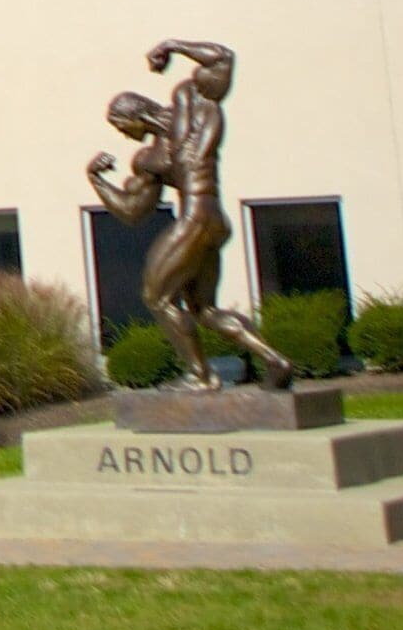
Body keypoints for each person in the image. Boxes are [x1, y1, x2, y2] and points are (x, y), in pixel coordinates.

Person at [87, 38, 298, 391]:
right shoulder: (151, 157)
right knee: (204, 311)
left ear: (134, 116)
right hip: (215, 222)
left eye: (121, 126)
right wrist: (97, 180)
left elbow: (222, 58)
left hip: (195, 219)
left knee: (157, 298)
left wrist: (171, 46)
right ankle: (274, 361)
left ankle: (201, 377)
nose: (123, 135)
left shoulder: (191, 101)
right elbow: (132, 212)